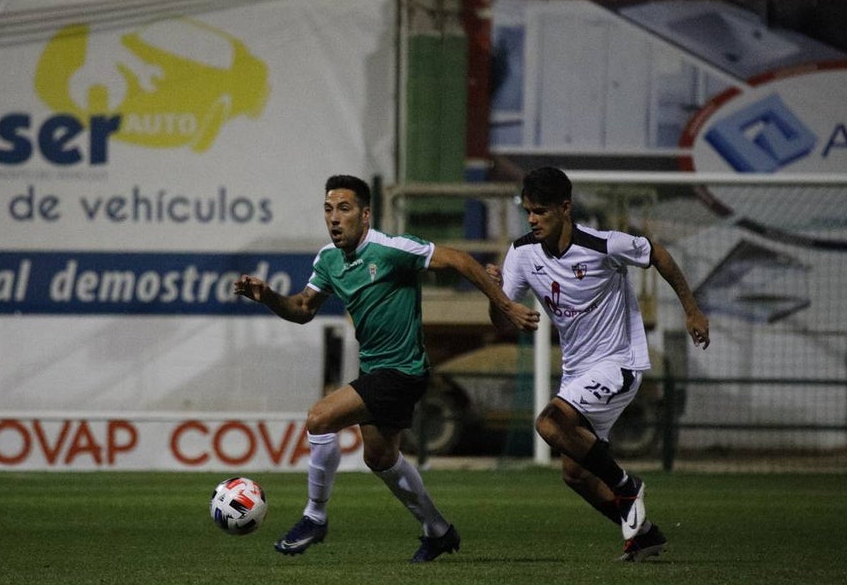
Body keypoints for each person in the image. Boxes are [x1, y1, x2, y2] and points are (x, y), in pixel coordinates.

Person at [234, 174, 540, 562]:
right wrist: (268, 297)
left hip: (403, 369)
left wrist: (508, 305)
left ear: (365, 215)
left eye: (344, 209)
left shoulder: (391, 249)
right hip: (375, 370)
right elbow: (302, 310)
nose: (334, 218)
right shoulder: (328, 260)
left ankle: (315, 516)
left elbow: (460, 260)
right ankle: (438, 530)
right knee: (380, 458)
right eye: (328, 210)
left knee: (319, 418)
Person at [487, 166, 709, 561]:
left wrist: (691, 309)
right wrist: (496, 296)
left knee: (548, 423)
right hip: (577, 371)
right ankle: (645, 536)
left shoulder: (602, 244)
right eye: (528, 212)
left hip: (618, 363)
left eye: (540, 211)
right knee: (575, 475)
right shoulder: (522, 253)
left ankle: (626, 485)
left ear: (565, 208)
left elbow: (656, 253)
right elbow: (501, 320)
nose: (532, 219)